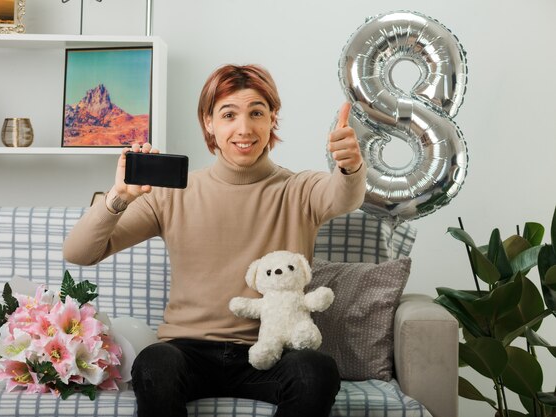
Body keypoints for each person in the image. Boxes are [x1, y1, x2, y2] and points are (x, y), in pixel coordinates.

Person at [63, 64, 366, 417]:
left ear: (272, 120)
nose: (244, 128)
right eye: (228, 114)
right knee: (152, 364)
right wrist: (118, 197)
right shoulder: (171, 194)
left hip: (271, 349)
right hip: (188, 353)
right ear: (209, 123)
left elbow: (345, 197)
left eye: (256, 113)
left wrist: (349, 166)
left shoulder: (300, 189)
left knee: (316, 369)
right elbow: (79, 252)